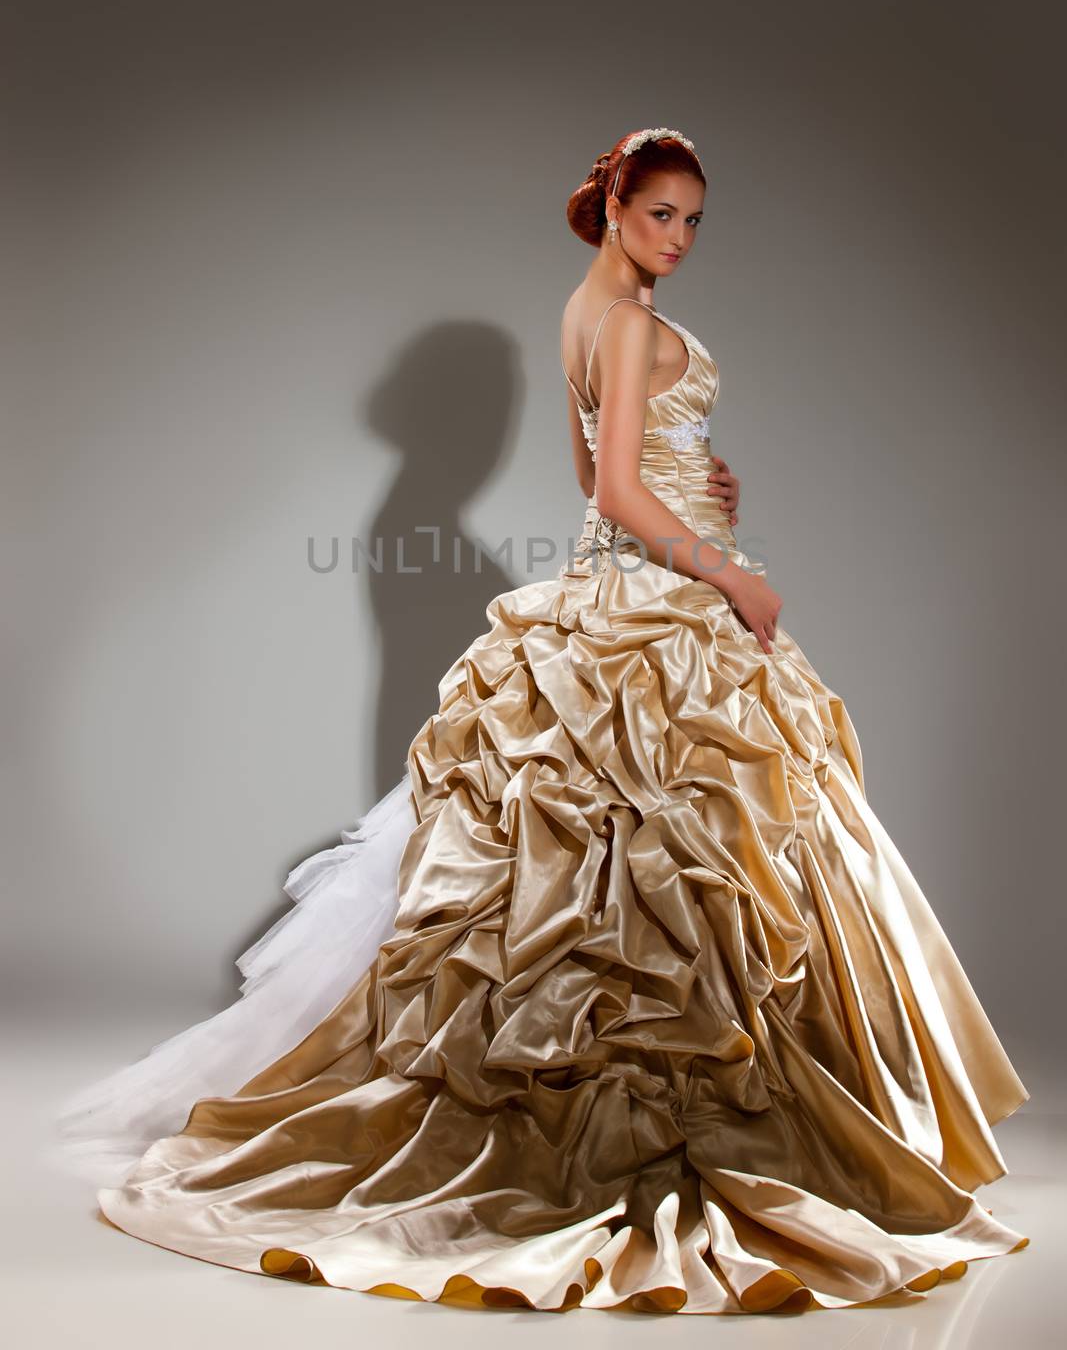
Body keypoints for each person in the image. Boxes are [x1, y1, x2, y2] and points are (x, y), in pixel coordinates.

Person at [52, 126, 1030, 1314]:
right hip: (657, 599)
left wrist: (710, 488)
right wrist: (732, 575)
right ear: (615, 206)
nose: (677, 240)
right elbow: (616, 491)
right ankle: (655, 1123)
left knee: (670, 860)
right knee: (682, 854)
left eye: (693, 221)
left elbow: (603, 479)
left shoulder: (579, 313)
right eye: (661, 214)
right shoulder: (621, 321)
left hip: (625, 580)